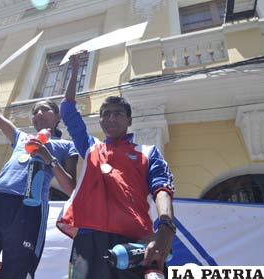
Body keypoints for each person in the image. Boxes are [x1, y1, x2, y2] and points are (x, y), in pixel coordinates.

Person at [57, 53, 176, 279]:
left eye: (118, 113)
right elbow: (68, 111)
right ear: (100, 120)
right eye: (106, 114)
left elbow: (162, 190)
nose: (111, 118)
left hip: (133, 239)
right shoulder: (91, 148)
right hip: (88, 238)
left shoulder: (148, 152)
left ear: (129, 120)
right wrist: (75, 71)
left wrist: (166, 226)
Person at [0, 76, 78, 279]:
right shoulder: (21, 137)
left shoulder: (66, 146)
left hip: (29, 207)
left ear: (57, 117)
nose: (39, 113)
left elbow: (71, 188)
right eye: (35, 112)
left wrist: (49, 158)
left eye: (45, 109)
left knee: (17, 269)